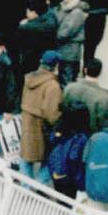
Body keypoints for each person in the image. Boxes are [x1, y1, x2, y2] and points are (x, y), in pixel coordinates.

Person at [19, 52, 64, 183]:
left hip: (27, 126)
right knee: (51, 161)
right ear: (56, 66)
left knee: (25, 158)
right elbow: (52, 115)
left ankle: (25, 189)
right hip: (43, 131)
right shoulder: (52, 86)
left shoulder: (29, 79)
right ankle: (36, 188)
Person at [61, 58, 108, 132]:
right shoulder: (104, 98)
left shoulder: (69, 88)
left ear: (85, 70)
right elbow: (102, 123)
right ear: (100, 73)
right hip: (89, 135)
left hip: (68, 130)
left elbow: (64, 106)